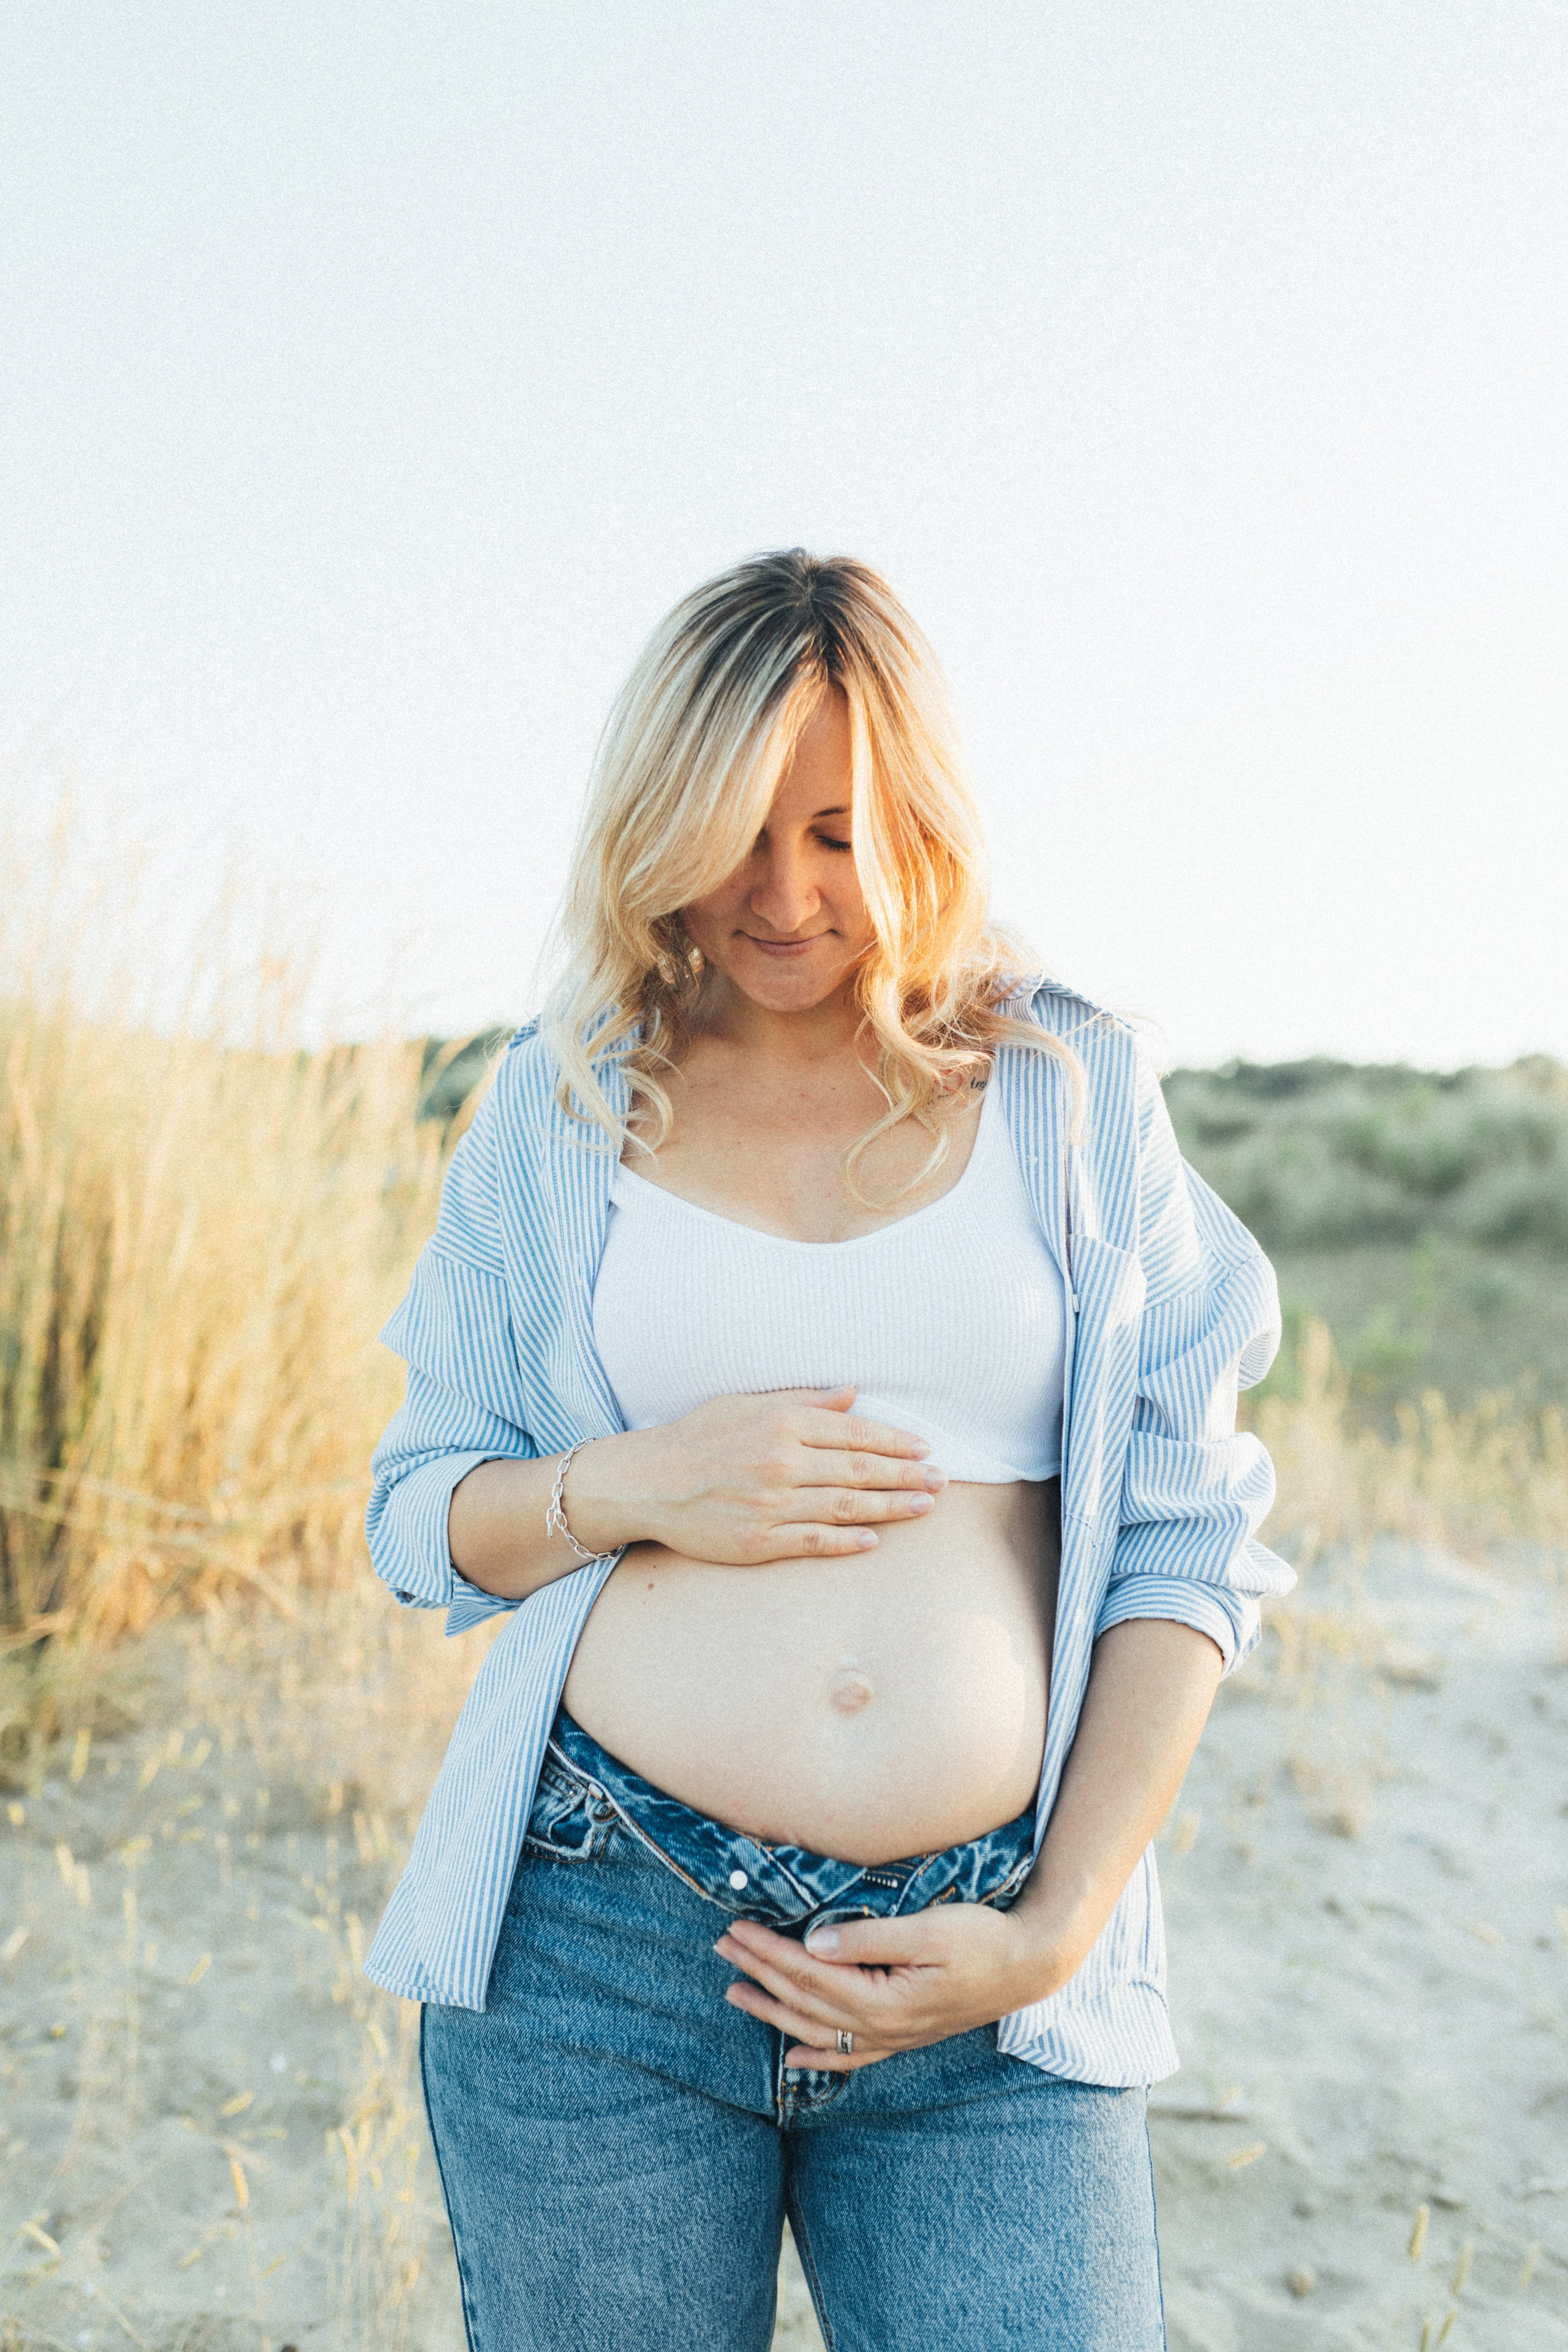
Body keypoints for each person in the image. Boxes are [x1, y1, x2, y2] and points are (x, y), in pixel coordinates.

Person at [364, 550, 1291, 2351]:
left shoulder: (1071, 1093)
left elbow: (1192, 1544)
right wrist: (632, 1485)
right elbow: (419, 1519)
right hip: (603, 1939)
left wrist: (1054, 1930)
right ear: (649, 823)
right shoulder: (554, 1107)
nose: (781, 895)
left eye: (840, 833)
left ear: (920, 823)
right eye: (729, 830)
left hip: (988, 1974)